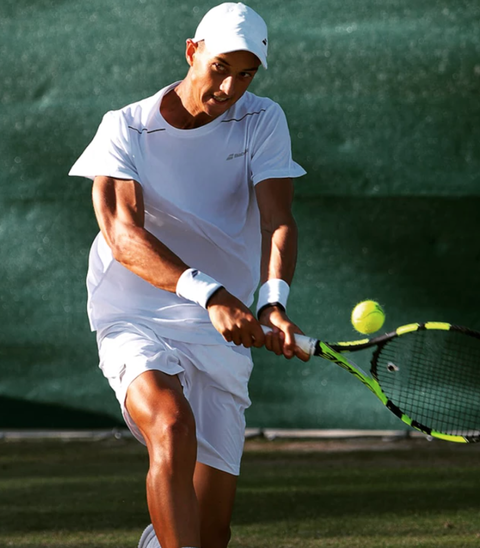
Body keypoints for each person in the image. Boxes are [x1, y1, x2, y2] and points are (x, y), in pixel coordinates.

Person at [68, 3, 308, 547]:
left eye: (245, 74)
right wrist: (212, 293)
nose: (230, 86)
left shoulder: (263, 120)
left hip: (217, 330)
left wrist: (272, 302)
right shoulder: (124, 127)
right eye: (220, 67)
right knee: (171, 427)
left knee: (209, 532)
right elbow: (122, 236)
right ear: (192, 51)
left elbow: (278, 218)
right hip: (136, 315)